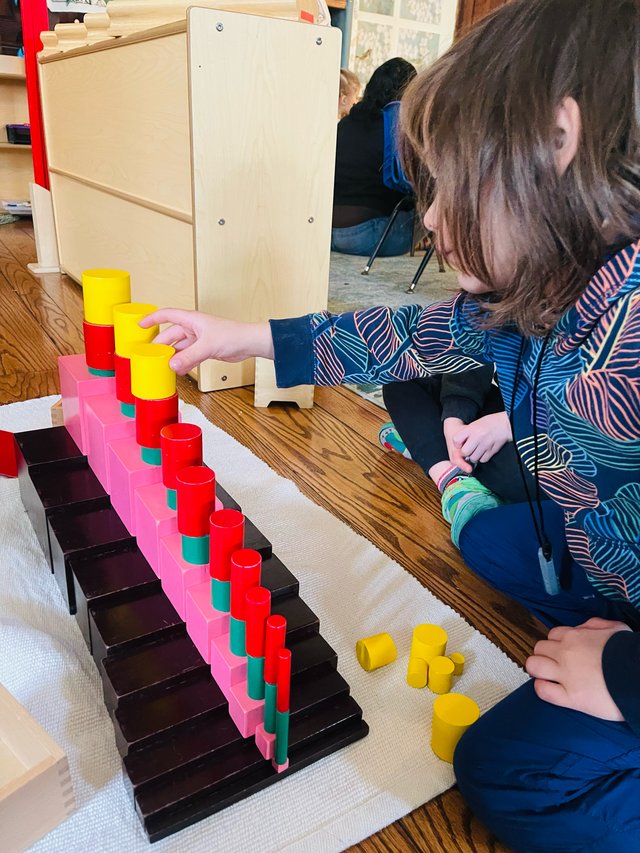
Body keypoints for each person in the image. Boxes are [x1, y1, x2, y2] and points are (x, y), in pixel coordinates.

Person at [142, 1, 640, 848]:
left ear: (560, 141)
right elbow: (400, 337)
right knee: (488, 546)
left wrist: (623, 674)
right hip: (601, 555)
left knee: (501, 768)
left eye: (448, 187)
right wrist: (245, 336)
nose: (432, 220)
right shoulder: (538, 288)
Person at [379, 367, 536, 547]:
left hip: (554, 440)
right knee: (403, 377)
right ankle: (450, 472)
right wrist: (454, 418)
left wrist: (509, 423)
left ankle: (433, 456)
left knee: (534, 480)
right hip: (511, 403)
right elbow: (472, 360)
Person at [332, 57, 416, 257]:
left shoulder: (345, 124)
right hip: (368, 237)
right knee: (432, 212)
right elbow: (411, 184)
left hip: (328, 234)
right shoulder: (397, 130)